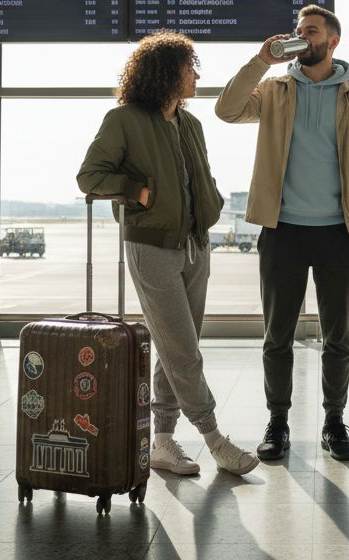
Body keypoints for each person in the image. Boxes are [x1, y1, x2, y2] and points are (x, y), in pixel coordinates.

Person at [76, 31, 259, 477]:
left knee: (179, 346)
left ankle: (161, 440)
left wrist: (210, 207)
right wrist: (135, 192)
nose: (196, 75)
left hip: (196, 247)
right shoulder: (124, 120)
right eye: (189, 67)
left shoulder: (191, 124)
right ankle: (215, 438)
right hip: (151, 247)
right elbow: (89, 176)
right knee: (183, 351)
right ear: (166, 73)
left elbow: (202, 179)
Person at [214, 5, 349, 462]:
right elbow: (226, 109)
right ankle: (278, 421)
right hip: (282, 230)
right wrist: (259, 62)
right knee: (277, 336)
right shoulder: (274, 89)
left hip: (338, 234)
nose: (301, 37)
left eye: (311, 31)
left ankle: (334, 421)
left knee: (337, 337)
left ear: (332, 42)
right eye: (298, 31)